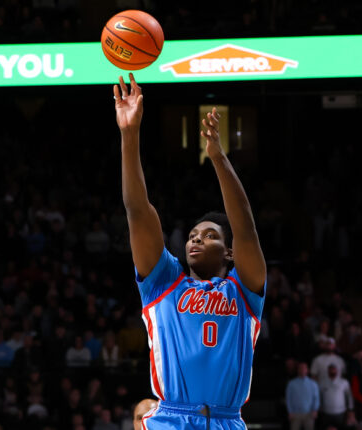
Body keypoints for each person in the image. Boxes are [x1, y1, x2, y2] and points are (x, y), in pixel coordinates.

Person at [114, 74, 266, 430]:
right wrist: (130, 134)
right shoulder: (164, 281)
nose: (195, 240)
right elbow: (137, 209)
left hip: (228, 421)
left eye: (209, 236)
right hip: (171, 419)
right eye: (193, 235)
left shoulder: (244, 292)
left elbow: (245, 227)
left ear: (229, 253)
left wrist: (217, 158)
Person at [319, 364, 354, 429]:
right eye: (330, 370)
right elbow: (319, 396)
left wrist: (350, 409)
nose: (332, 372)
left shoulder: (344, 382)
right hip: (326, 412)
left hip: (340, 412)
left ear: (337, 371)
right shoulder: (322, 382)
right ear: (328, 371)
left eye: (334, 370)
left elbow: (349, 396)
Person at [286, 362, 320, 430]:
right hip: (295, 413)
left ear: (307, 370)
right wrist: (290, 411)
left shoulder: (313, 384)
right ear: (298, 370)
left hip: (309, 413)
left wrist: (315, 410)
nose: (302, 370)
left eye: (304, 368)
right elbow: (288, 398)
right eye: (300, 368)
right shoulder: (291, 383)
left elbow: (316, 398)